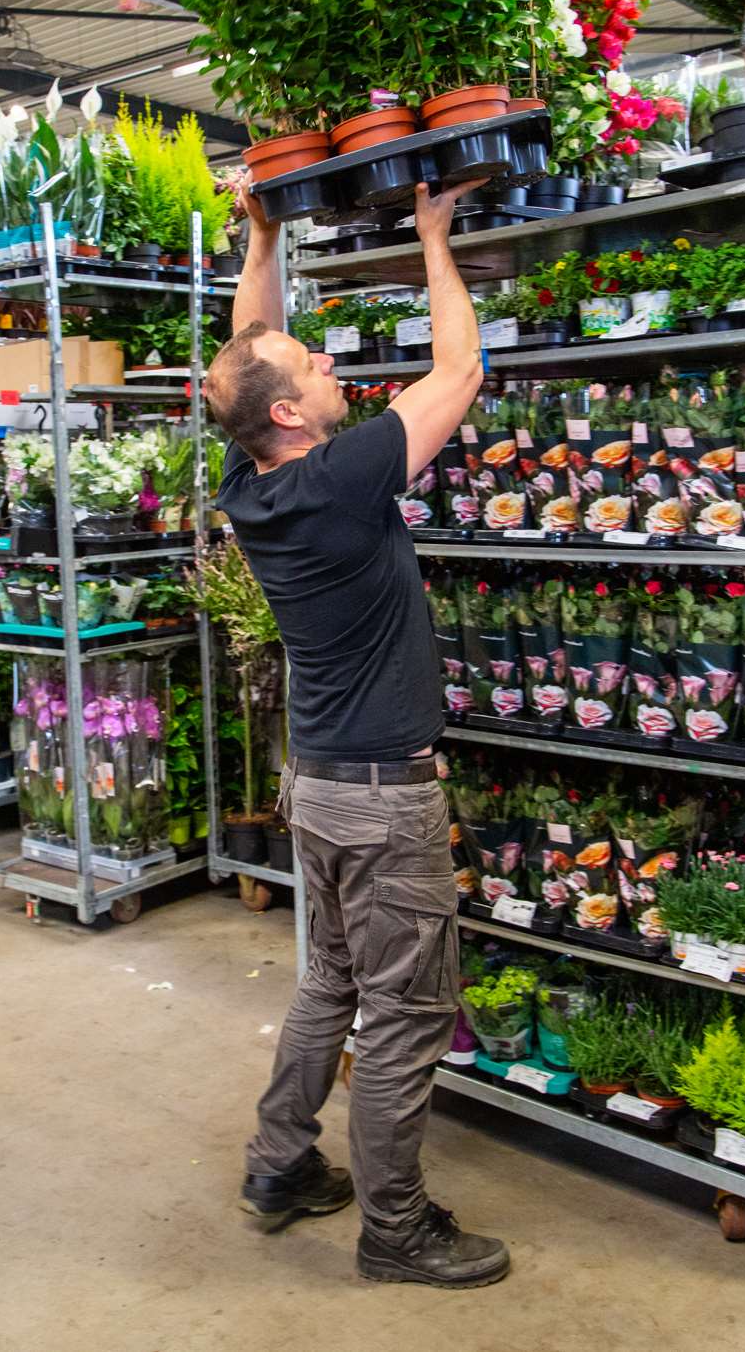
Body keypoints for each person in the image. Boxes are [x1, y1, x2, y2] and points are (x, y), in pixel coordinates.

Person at [204, 177, 509, 1290]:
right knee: (407, 1017)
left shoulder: (254, 479)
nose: (330, 366)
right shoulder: (340, 477)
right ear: (289, 415)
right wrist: (435, 240)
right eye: (317, 369)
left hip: (320, 787)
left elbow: (247, 346)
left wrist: (263, 235)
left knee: (329, 988)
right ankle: (397, 1227)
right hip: (381, 802)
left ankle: (280, 1167)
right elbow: (461, 373)